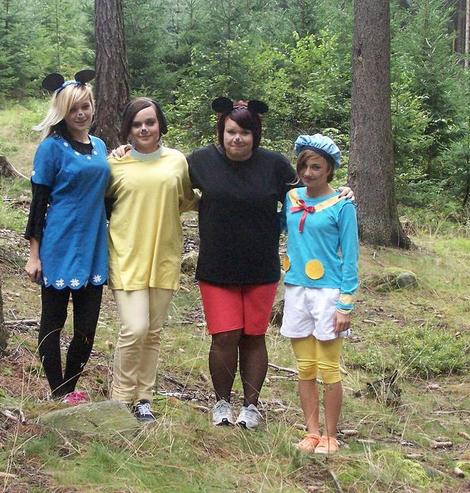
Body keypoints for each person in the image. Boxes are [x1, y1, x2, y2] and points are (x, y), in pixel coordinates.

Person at [187, 98, 354, 430]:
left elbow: (309, 193)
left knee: (253, 335)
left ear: (256, 134)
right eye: (231, 131)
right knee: (225, 335)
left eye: (245, 132)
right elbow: (166, 177)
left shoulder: (274, 165)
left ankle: (251, 406)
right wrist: (126, 154)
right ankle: (222, 403)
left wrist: (342, 192)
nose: (237, 138)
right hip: (216, 267)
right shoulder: (201, 161)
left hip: (261, 268)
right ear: (221, 131)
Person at [106, 97, 198, 422]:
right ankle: (120, 398)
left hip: (164, 257)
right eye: (137, 124)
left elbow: (188, 199)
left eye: (150, 122)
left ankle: (143, 398)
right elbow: (97, 201)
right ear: (128, 129)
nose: (144, 129)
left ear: (160, 124)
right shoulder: (115, 164)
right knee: (135, 328)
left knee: (153, 332)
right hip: (126, 255)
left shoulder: (177, 161)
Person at [24, 70, 110, 406]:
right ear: (62, 111)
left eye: (85, 106)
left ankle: (70, 387)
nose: (81, 113)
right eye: (74, 108)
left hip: (93, 245)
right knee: (53, 322)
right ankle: (58, 392)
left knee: (86, 327)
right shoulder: (51, 148)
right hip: (59, 244)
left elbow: (107, 195)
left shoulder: (100, 147)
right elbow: (38, 204)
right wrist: (34, 255)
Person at [280, 134, 358, 454]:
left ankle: (330, 435)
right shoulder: (291, 198)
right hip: (296, 289)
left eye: (316, 167)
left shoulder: (342, 205)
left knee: (328, 368)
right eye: (304, 166)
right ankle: (311, 432)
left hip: (328, 293)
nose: (308, 173)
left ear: (329, 170)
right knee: (305, 367)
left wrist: (345, 303)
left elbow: (350, 257)